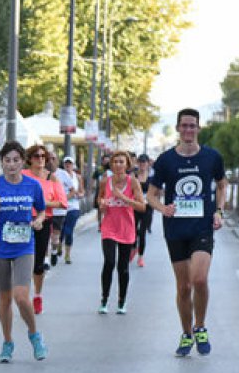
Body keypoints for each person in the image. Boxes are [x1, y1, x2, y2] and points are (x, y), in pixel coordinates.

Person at [146, 108, 228, 357]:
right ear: (178, 128)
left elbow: (222, 185)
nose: (188, 130)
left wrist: (219, 211)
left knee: (199, 279)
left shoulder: (212, 157)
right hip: (176, 229)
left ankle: (200, 327)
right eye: (184, 125)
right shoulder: (166, 160)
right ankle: (186, 334)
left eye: (193, 125)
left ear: (198, 128)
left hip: (202, 227)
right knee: (183, 287)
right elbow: (151, 195)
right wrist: (163, 208)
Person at [0, 141, 49, 363]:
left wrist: (38, 220)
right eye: (7, 160)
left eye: (16, 160)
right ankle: (8, 342)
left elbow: (42, 210)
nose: (11, 165)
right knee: (5, 297)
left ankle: (34, 334)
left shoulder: (33, 185)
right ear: (1, 162)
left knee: (21, 296)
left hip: (24, 246)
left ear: (23, 162)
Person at [98, 150, 146, 314]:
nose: (118, 165)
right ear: (111, 164)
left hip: (126, 228)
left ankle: (121, 301)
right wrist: (102, 204)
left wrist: (123, 198)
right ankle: (104, 299)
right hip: (109, 227)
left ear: (127, 165)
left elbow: (142, 206)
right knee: (109, 262)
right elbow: (100, 198)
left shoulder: (133, 182)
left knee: (123, 267)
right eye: (115, 161)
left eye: (121, 162)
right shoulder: (106, 181)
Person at [24, 144, 66, 315]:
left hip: (44, 221)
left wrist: (41, 202)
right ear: (29, 159)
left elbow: (62, 202)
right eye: (37, 156)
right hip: (23, 221)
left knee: (38, 263)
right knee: (22, 260)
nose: (40, 159)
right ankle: (22, 296)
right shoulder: (22, 176)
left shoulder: (52, 178)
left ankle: (37, 295)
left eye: (43, 156)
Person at [58, 157, 84, 264]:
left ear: (73, 165)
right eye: (66, 163)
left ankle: (67, 255)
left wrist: (79, 195)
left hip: (73, 206)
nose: (68, 165)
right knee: (61, 230)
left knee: (69, 230)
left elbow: (82, 191)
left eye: (70, 163)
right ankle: (59, 245)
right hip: (61, 206)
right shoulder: (58, 176)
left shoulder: (77, 177)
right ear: (63, 165)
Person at [133, 153, 154, 267]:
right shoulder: (133, 176)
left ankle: (140, 257)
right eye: (140, 162)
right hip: (135, 206)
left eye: (144, 162)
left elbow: (156, 191)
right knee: (133, 231)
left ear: (148, 163)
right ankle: (133, 247)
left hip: (147, 207)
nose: (142, 165)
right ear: (138, 163)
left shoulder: (152, 177)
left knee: (142, 233)